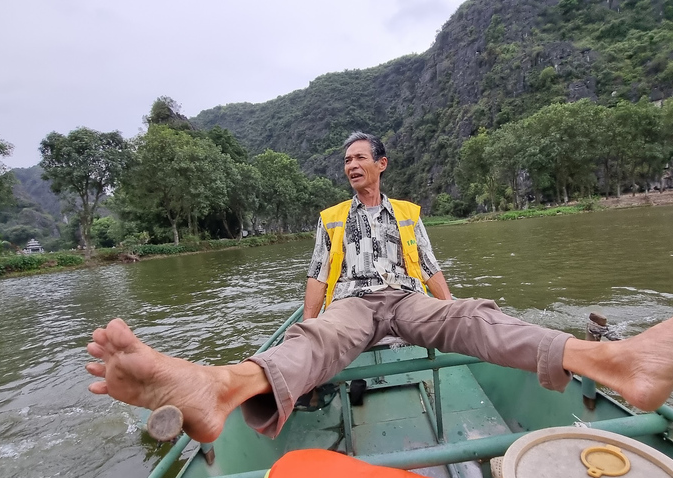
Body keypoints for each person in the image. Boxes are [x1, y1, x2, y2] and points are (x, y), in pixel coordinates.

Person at [86, 132, 673, 444]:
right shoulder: (332, 217)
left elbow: (433, 269)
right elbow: (317, 277)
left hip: (407, 300)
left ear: (383, 164)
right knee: (316, 341)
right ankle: (217, 389)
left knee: (475, 318)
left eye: (360, 158)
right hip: (352, 306)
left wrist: (456, 314)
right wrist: (304, 322)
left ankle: (614, 362)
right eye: (346, 160)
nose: (351, 166)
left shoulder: (410, 214)